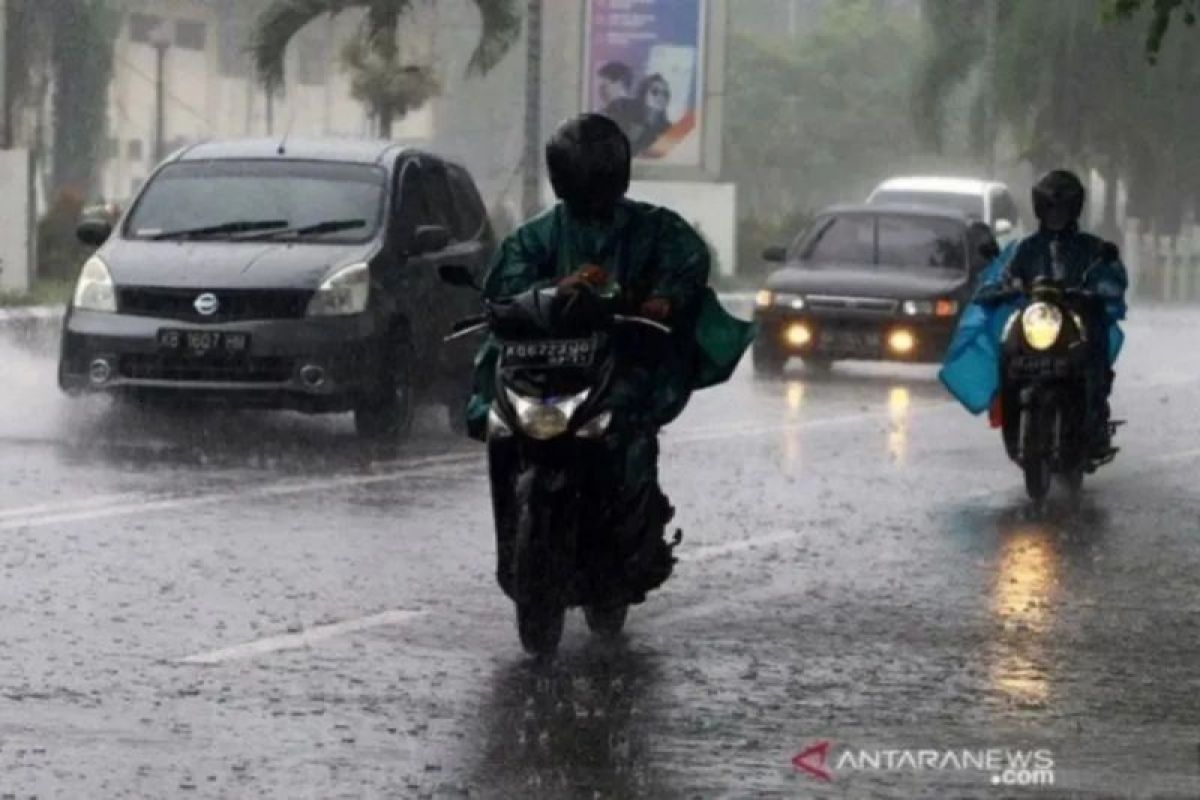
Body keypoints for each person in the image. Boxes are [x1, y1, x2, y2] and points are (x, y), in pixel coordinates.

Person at [466, 113, 754, 593]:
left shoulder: (654, 229)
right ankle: (516, 542)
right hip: (541, 369)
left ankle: (632, 537)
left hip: (618, 363)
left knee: (629, 428)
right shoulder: (536, 237)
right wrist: (558, 288)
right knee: (499, 425)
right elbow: (505, 288)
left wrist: (661, 298)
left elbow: (687, 262)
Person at [941, 169, 1128, 456]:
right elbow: (1001, 276)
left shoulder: (1091, 248)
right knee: (1009, 348)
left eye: (1062, 208)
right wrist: (998, 288)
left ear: (1075, 207)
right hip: (1038, 322)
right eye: (1051, 207)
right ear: (1039, 207)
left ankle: (1095, 418)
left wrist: (1100, 289)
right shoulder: (1024, 248)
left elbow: (1111, 276)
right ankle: (1009, 408)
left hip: (1076, 323)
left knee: (1094, 349)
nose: (1056, 214)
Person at [630, 74, 673, 156]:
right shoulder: (631, 124)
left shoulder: (669, 129)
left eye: (665, 93)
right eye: (655, 92)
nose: (661, 97)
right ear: (643, 94)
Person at [595, 61, 641, 136]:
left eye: (604, 86)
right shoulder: (600, 116)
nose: (600, 91)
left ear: (619, 83)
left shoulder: (640, 113)